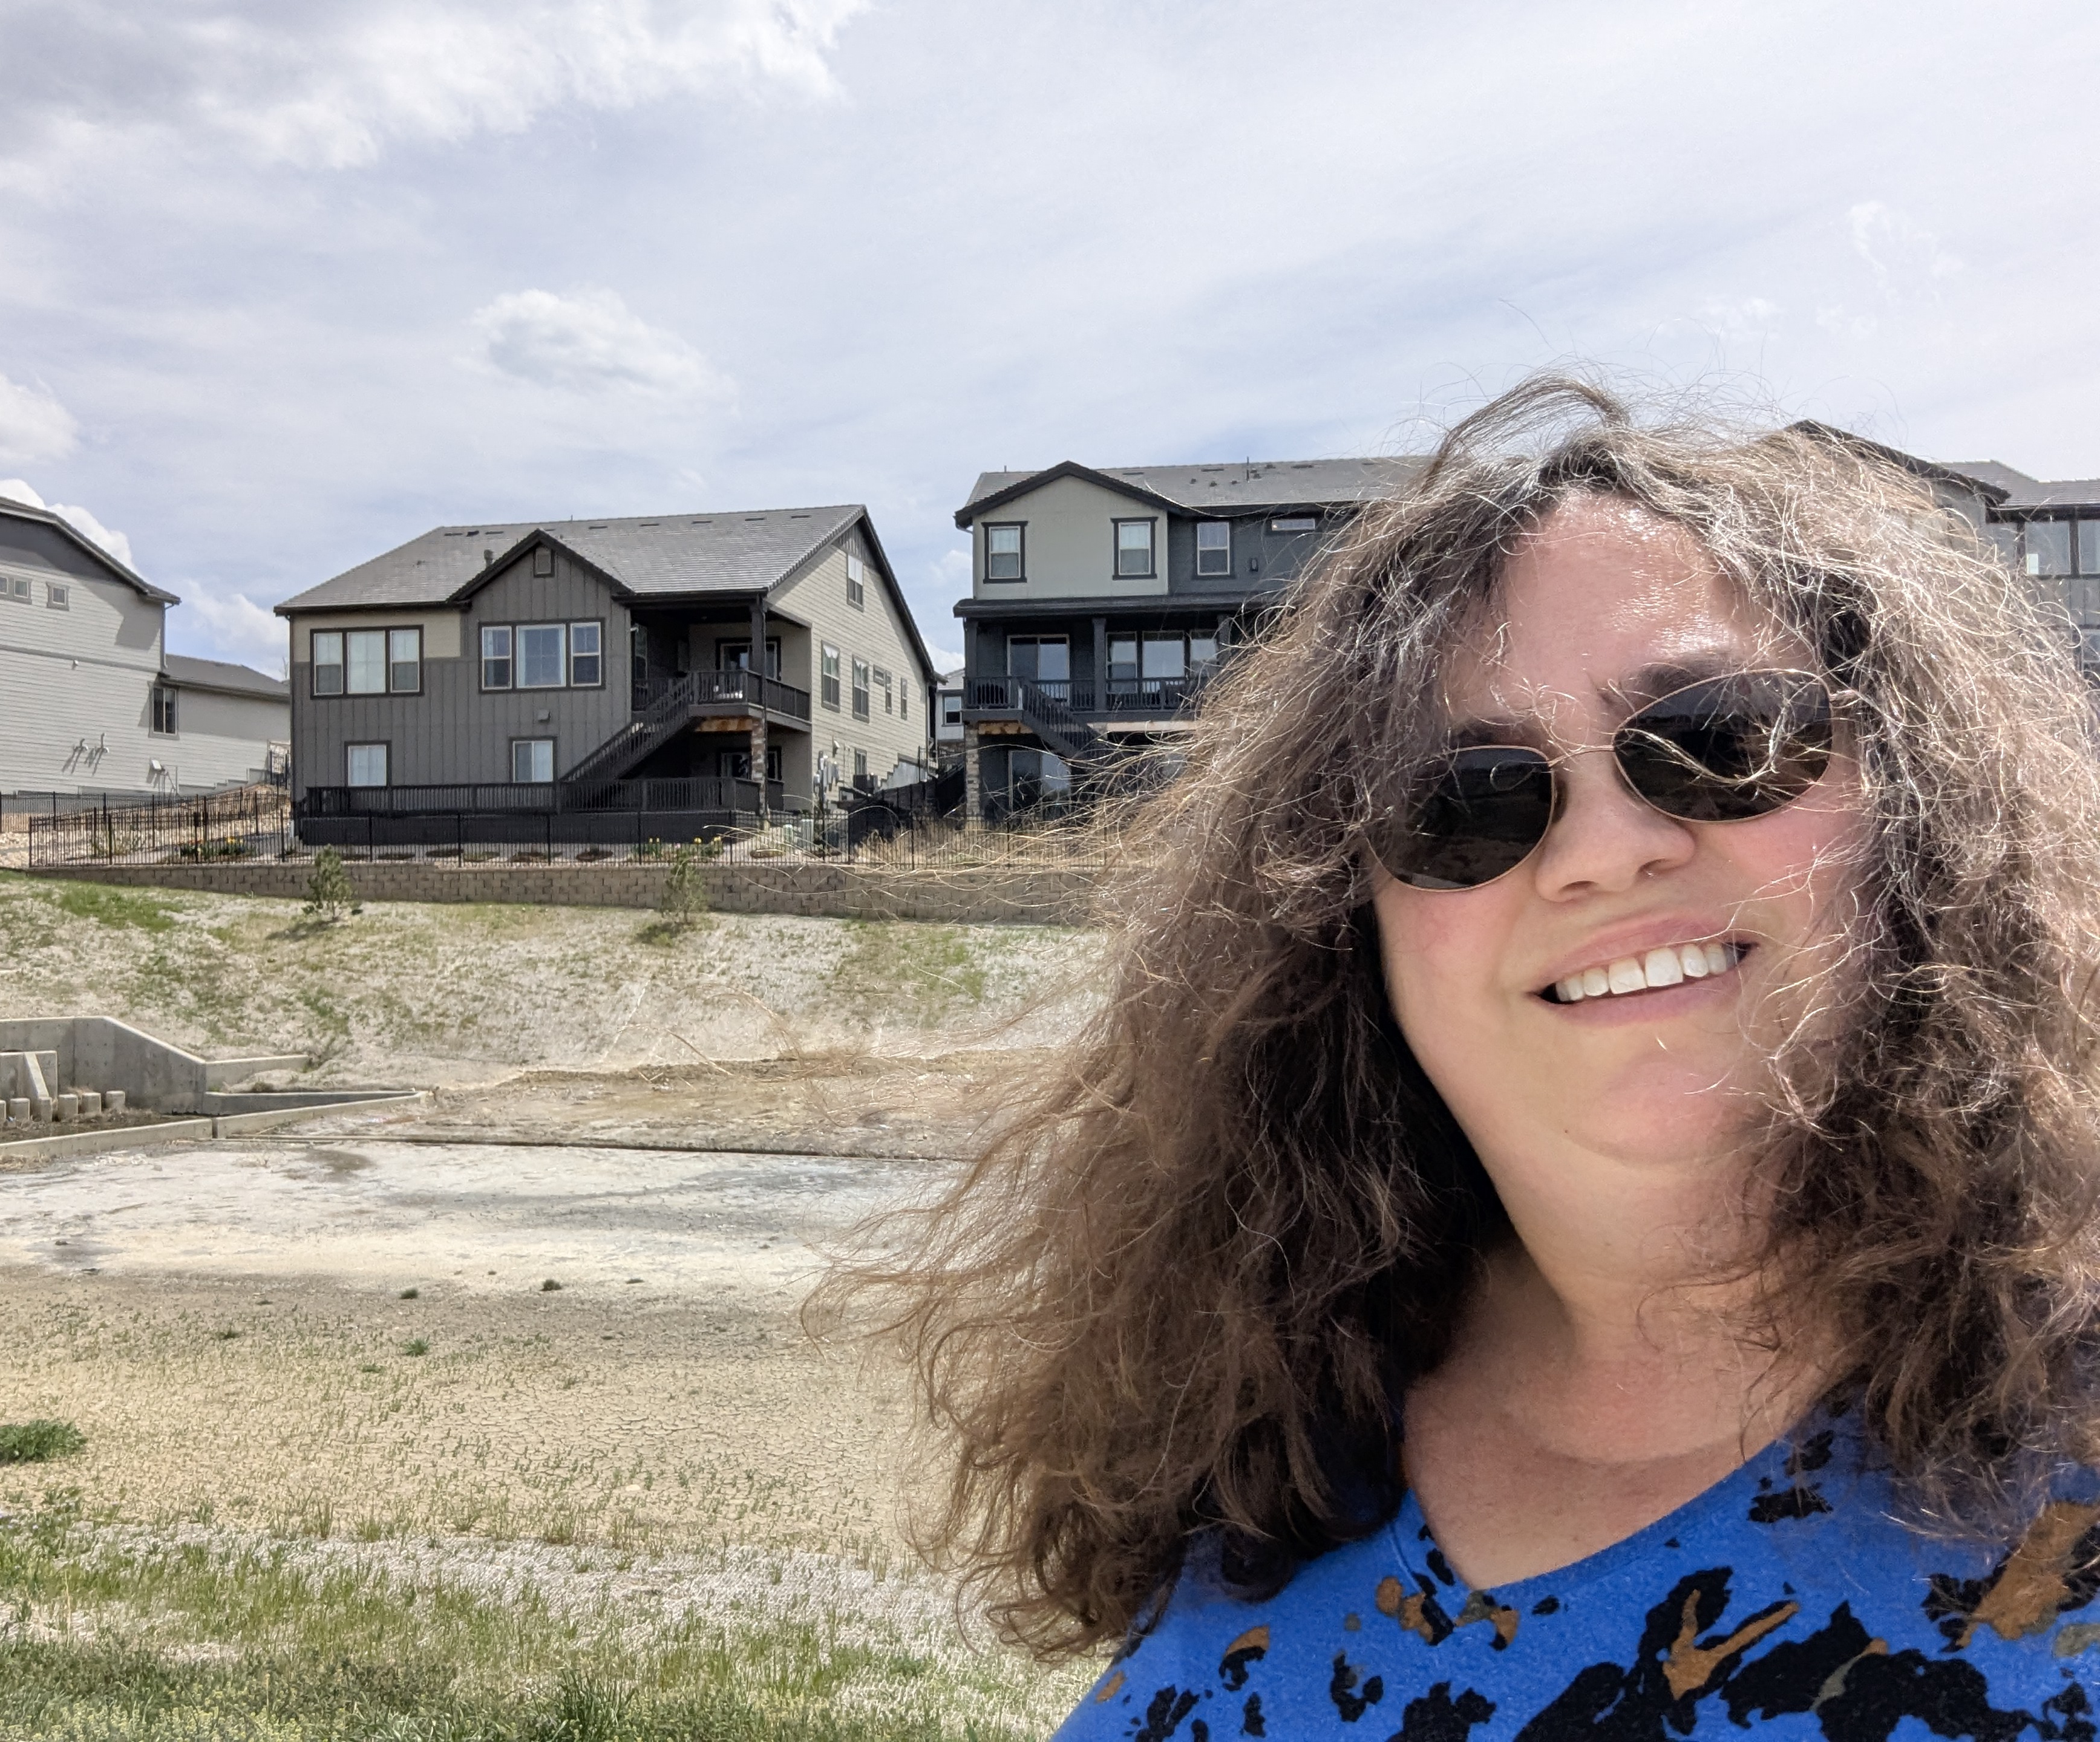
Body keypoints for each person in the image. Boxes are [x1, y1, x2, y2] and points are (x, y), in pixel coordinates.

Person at [816, 380, 2100, 1738]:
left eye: (1720, 736)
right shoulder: (1277, 1443)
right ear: (1340, 928)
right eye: (1463, 798)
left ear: (1918, 802)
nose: (1605, 851)